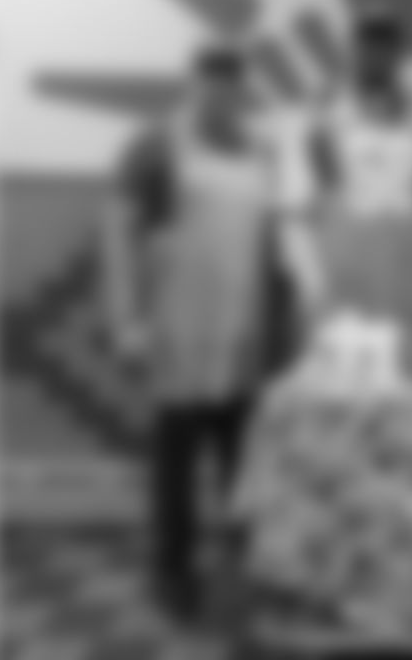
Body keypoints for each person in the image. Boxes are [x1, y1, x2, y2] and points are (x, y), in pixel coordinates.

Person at [101, 43, 285, 625]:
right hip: (178, 335)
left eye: (232, 78)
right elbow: (118, 236)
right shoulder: (153, 146)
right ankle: (172, 573)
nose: (221, 88)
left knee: (243, 472)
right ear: (192, 80)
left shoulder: (262, 151)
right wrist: (127, 321)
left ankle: (239, 573)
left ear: (244, 87)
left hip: (244, 337)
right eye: (211, 76)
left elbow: (274, 244)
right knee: (175, 469)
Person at [282, 8, 412, 338]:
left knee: (401, 350)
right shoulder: (325, 109)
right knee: (340, 353)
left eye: (386, 44)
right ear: (354, 48)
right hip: (345, 266)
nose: (377, 53)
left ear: (399, 52)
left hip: (402, 268)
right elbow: (305, 199)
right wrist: (310, 280)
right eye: (369, 42)